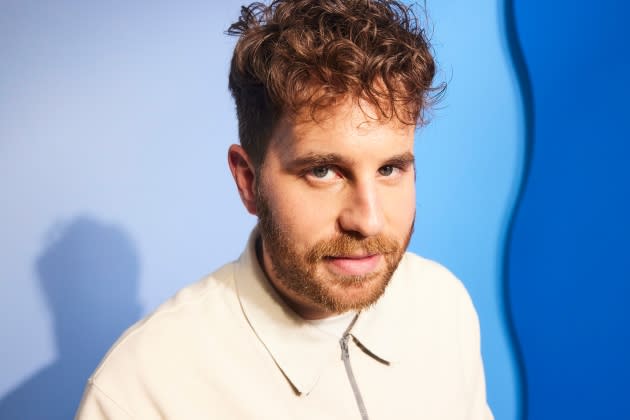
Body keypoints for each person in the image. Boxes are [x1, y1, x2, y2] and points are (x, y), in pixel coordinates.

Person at [76, 1, 494, 419]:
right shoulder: (139, 390)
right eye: (323, 171)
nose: (367, 220)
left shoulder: (444, 305)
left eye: (390, 168)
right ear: (248, 181)